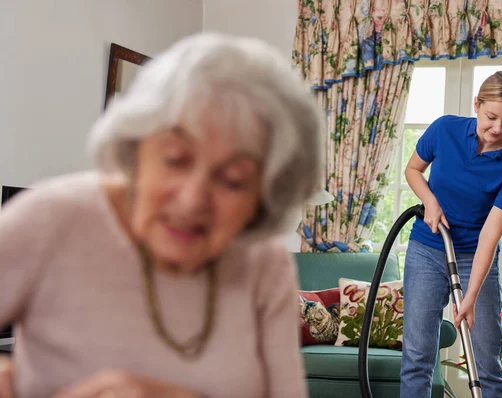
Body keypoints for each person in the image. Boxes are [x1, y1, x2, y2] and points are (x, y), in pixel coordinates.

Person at [0, 32, 323, 397]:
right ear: (135, 150)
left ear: (265, 199)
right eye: (174, 159)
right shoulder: (53, 218)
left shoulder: (264, 264)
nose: (191, 200)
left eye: (233, 181)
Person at [399, 71, 502, 398]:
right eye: (491, 116)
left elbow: (490, 234)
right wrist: (429, 201)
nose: (498, 128)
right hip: (427, 250)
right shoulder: (444, 129)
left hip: (477, 257)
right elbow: (413, 169)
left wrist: (471, 295)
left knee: (486, 359)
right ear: (477, 104)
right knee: (417, 355)